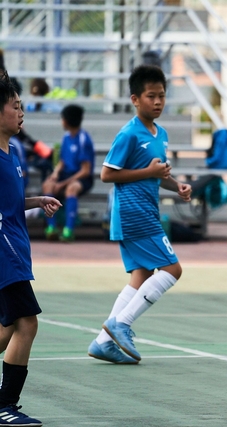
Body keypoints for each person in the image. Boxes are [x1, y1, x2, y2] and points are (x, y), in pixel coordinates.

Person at [87, 65, 192, 364]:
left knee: (141, 276)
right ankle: (122, 324)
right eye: (150, 96)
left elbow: (156, 174)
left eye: (161, 96)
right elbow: (107, 174)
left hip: (145, 210)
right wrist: (150, 171)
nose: (157, 102)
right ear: (135, 99)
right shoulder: (129, 134)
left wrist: (176, 185)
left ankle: (103, 342)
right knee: (173, 269)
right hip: (134, 213)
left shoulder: (162, 133)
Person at [0, 70, 62, 427]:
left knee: (8, 327)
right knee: (27, 323)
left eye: (22, 106)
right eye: (15, 107)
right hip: (4, 252)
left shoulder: (15, 152)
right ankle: (5, 404)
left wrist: (36, 200)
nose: (21, 113)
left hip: (16, 250)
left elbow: (10, 201)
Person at [42, 104, 95, 242]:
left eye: (62, 118)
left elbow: (86, 170)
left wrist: (63, 184)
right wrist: (55, 174)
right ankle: (51, 228)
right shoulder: (66, 137)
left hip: (82, 178)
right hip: (66, 175)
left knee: (71, 189)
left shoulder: (84, 139)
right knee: (48, 185)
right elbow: (63, 161)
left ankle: (68, 230)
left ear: (66, 120)